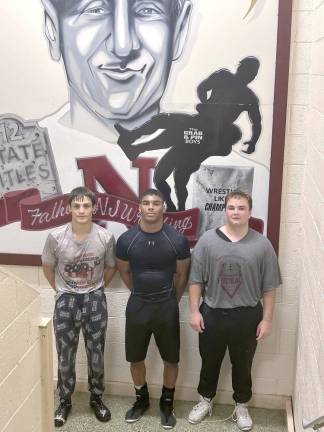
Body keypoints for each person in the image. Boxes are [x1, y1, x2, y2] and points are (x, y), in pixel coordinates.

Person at [116, 57, 261, 211]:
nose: (246, 74)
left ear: (252, 76)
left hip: (210, 135)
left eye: (250, 72)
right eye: (244, 69)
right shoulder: (224, 76)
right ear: (239, 68)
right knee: (165, 128)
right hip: (200, 122)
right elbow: (203, 87)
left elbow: (256, 123)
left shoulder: (249, 97)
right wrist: (206, 103)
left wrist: (253, 141)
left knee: (177, 169)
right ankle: (134, 144)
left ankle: (136, 148)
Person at [187, 190, 281, 431]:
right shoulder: (207, 240)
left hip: (247, 315)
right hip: (213, 312)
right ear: (225, 210)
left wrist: (267, 320)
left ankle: (241, 404)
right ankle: (205, 400)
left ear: (250, 212)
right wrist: (194, 311)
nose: (236, 212)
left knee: (243, 363)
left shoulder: (262, 244)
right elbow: (196, 281)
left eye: (241, 208)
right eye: (231, 207)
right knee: (209, 361)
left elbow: (269, 287)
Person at [41, 0, 192, 142]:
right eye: (95, 9)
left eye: (147, 10)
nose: (122, 47)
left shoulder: (210, 157)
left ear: (179, 32)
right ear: (53, 30)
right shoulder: (30, 151)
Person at [116, 188, 190, 429]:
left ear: (163, 207)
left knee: (171, 359)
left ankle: (167, 404)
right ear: (139, 207)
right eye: (146, 203)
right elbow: (125, 272)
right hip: (138, 305)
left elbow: (181, 276)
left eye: (155, 203)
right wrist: (141, 293)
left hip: (166, 306)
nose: (150, 207)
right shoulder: (126, 240)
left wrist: (171, 300)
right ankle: (142, 400)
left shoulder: (177, 240)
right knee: (135, 358)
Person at [42, 186, 116, 427]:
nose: (82, 210)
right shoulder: (55, 237)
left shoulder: (105, 237)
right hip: (66, 300)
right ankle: (65, 400)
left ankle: (96, 398)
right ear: (69, 208)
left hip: (95, 298)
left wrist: (95, 288)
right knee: (65, 355)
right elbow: (48, 268)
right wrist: (63, 292)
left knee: (96, 353)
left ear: (94, 208)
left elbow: (111, 267)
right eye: (77, 205)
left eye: (86, 205)